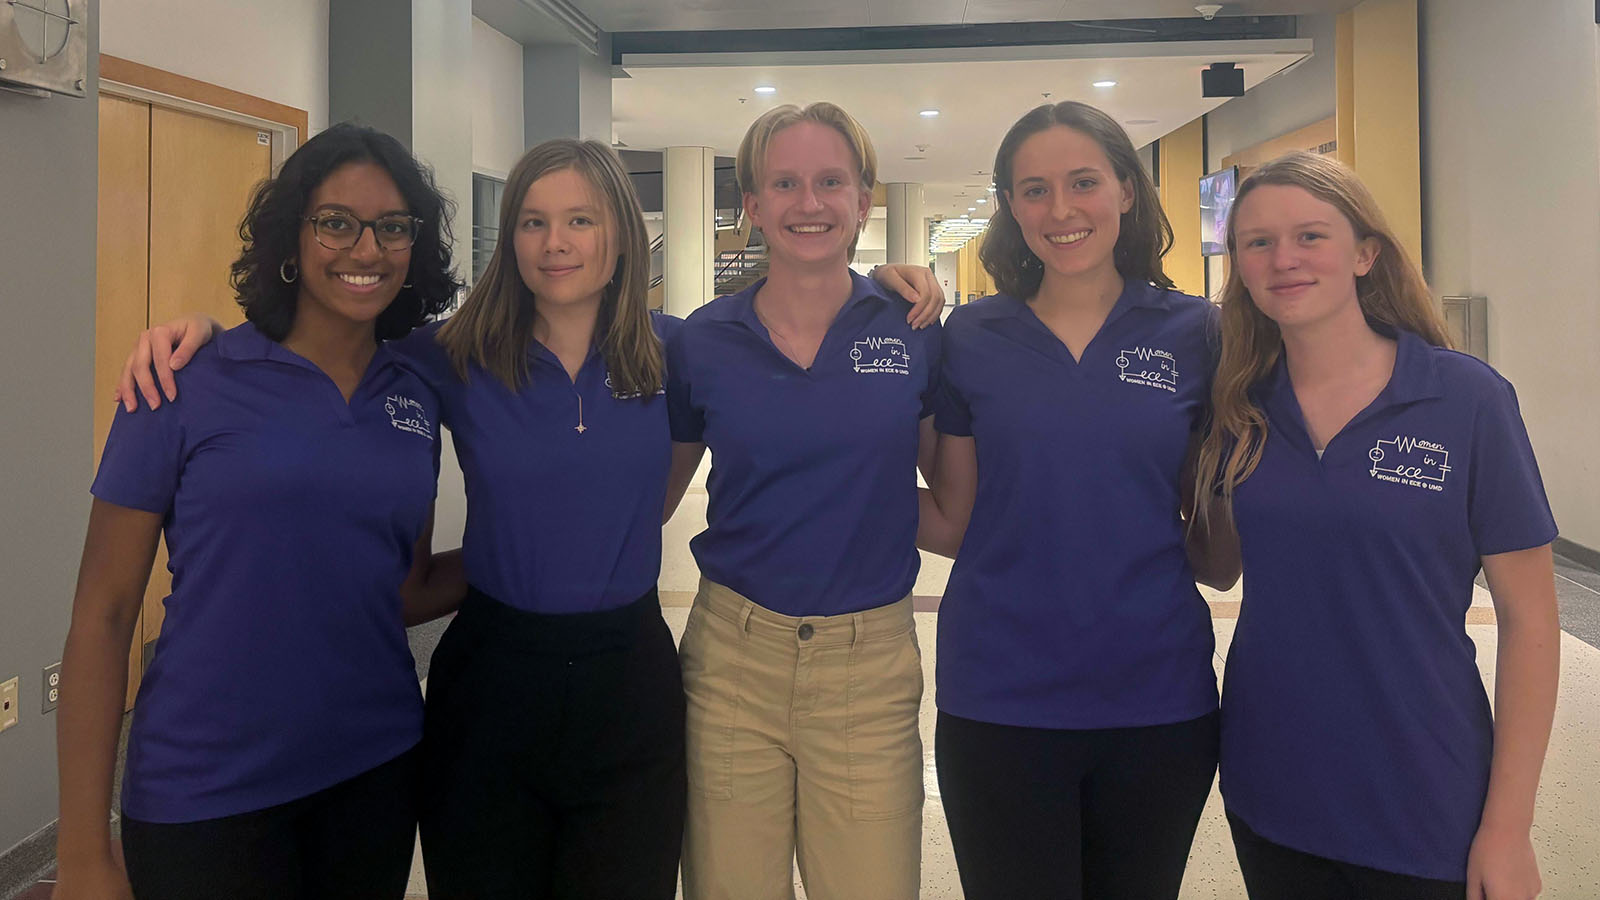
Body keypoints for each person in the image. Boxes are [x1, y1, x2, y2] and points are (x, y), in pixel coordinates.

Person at [111, 133, 943, 899]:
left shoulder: (675, 352)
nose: (557, 243)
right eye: (535, 222)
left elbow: (790, 358)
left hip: (630, 684)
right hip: (493, 681)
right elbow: (326, 339)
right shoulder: (454, 355)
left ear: (620, 233)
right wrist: (206, 334)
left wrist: (889, 283)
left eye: (581, 219)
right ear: (510, 240)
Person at [55, 123, 461, 900]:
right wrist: (81, 852)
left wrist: (520, 560)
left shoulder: (414, 392)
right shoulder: (183, 381)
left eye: (393, 226)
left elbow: (401, 590)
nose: (365, 249)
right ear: (292, 236)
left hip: (372, 774)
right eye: (336, 222)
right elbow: (102, 617)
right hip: (203, 790)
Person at [1194, 151, 1559, 900]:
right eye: (1257, 243)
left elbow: (1532, 622)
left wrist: (1508, 825)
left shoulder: (1466, 400)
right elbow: (1216, 563)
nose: (1283, 259)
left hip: (1424, 783)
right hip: (1271, 778)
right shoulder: (1243, 408)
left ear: (1365, 253)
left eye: (1310, 236)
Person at [910, 100, 1234, 899]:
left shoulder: (1199, 334)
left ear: (1126, 190)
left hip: (1157, 695)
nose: (1061, 210)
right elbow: (955, 518)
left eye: (1084, 182)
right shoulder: (970, 338)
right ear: (1010, 207)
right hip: (1000, 693)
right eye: (1033, 190)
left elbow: (1217, 543)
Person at [664, 101, 942, 900]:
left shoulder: (914, 327)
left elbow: (952, 500)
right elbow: (654, 494)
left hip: (870, 667)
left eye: (831, 182)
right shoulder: (702, 340)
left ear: (864, 202)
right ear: (751, 206)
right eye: (784, 183)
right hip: (731, 661)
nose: (808, 203)